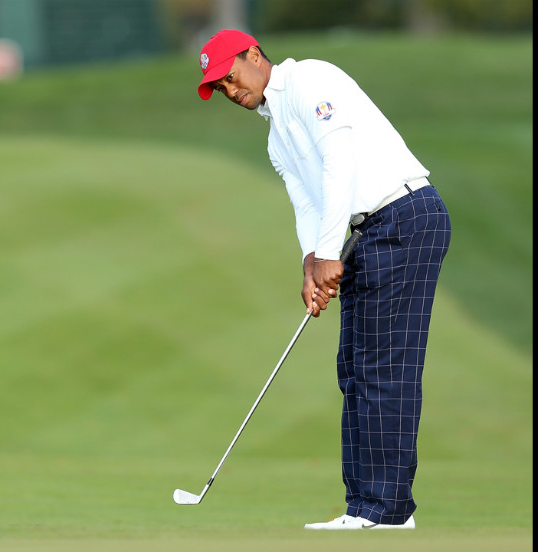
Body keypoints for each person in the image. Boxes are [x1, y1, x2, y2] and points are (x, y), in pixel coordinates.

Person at [195, 29, 451, 530]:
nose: (230, 91)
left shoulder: (311, 78)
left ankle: (388, 511)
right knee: (354, 368)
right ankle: (362, 507)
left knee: (383, 367)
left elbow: (341, 165)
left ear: (253, 54)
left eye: (230, 77)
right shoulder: (275, 136)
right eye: (220, 88)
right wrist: (312, 264)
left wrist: (331, 252)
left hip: (403, 217)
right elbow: (307, 203)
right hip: (364, 234)